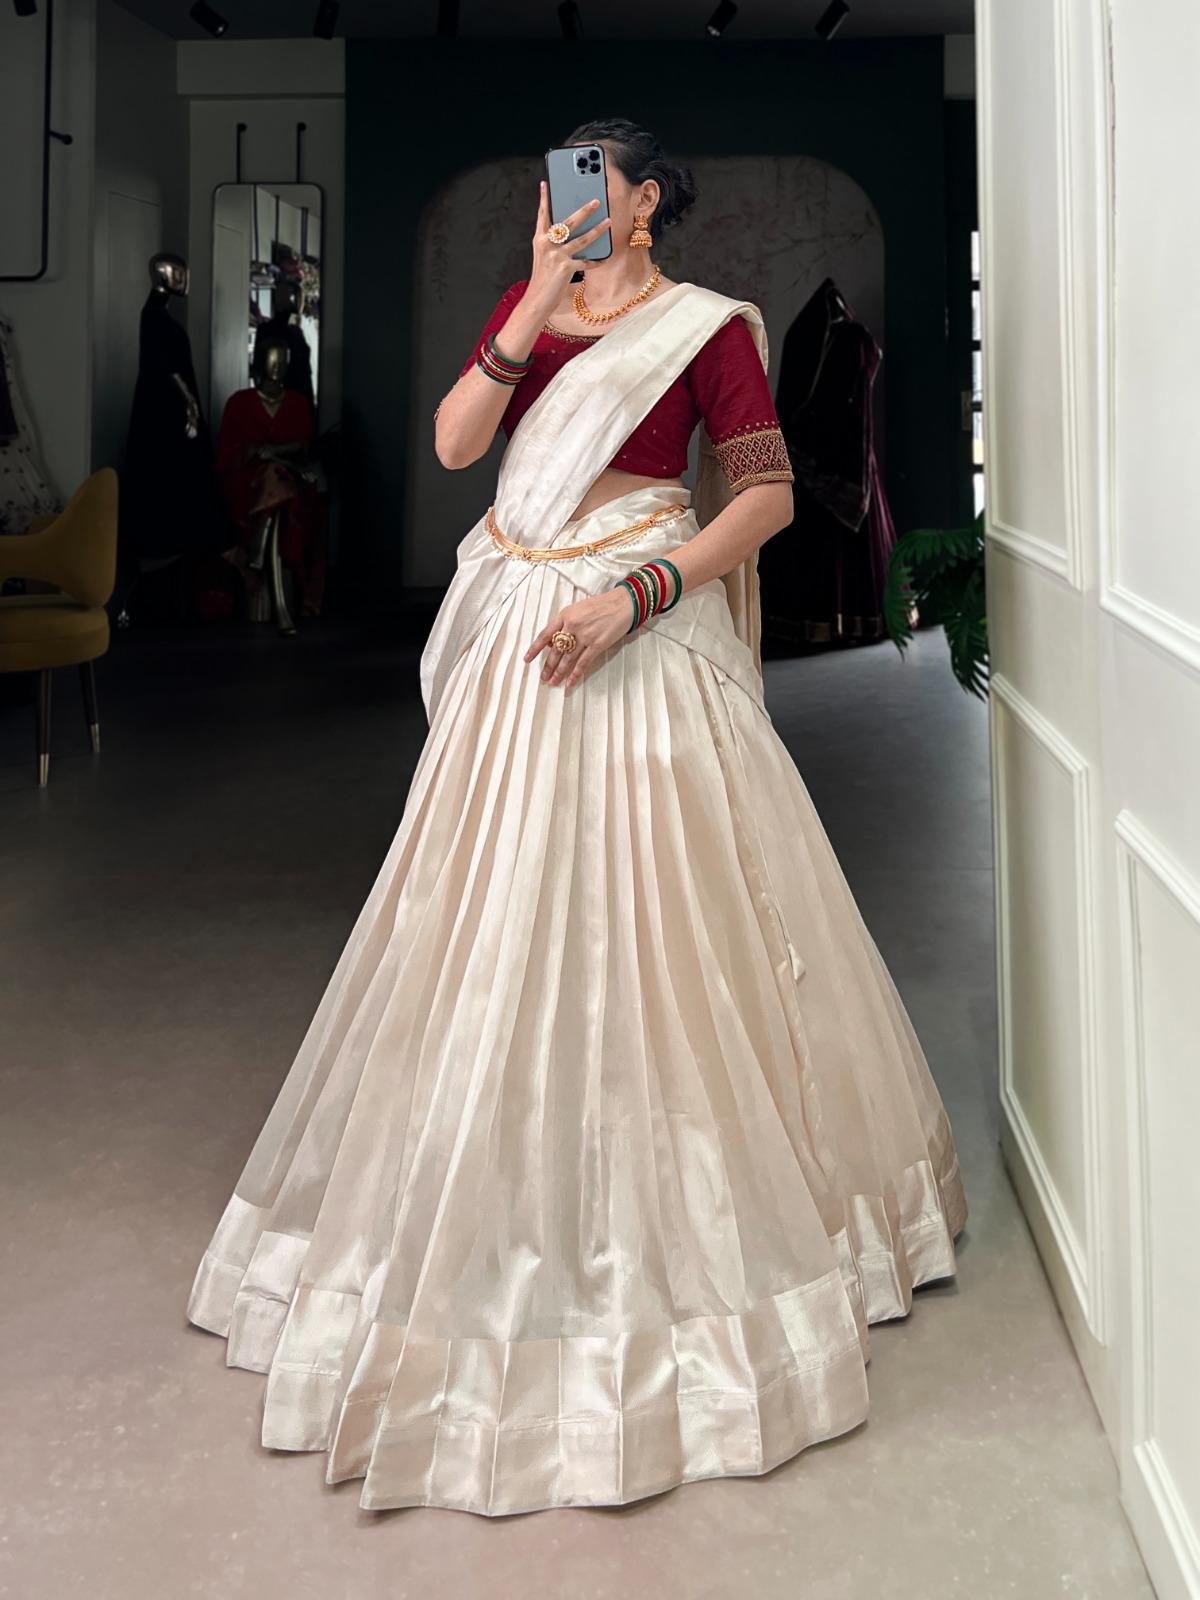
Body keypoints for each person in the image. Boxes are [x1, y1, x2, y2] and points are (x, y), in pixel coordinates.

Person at [186, 117, 968, 1518]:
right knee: (481, 909)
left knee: (663, 925)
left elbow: (769, 500)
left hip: (637, 619)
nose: (568, 196)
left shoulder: (707, 328)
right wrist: (536, 300)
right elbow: (454, 444)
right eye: (558, 178)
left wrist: (641, 597)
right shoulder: (529, 303)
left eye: (594, 176)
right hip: (518, 624)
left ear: (650, 199)